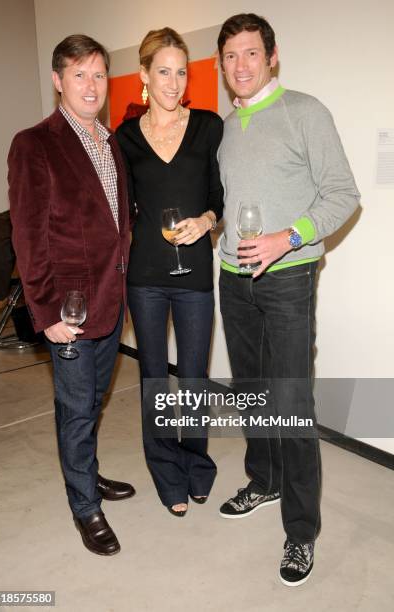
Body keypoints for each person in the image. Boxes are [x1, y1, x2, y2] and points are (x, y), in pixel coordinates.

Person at [216, 14, 360, 586]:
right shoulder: (227, 127)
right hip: (233, 277)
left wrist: (288, 236)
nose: (241, 66)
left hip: (288, 278)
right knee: (251, 392)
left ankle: (301, 532)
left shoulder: (304, 112)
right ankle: (264, 480)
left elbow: (343, 194)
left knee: (292, 402)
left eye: (251, 53)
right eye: (230, 56)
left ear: (272, 57)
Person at [8, 34, 135, 556]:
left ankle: (88, 473)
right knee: (78, 408)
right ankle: (84, 505)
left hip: (111, 300)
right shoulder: (34, 143)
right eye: (79, 74)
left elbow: (115, 222)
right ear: (58, 81)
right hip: (71, 312)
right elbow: (28, 234)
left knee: (89, 403)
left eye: (99, 74)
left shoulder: (110, 141)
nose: (91, 85)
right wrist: (45, 312)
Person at [116, 27, 223, 517]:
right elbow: (117, 207)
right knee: (156, 379)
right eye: (163, 71)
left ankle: (197, 464)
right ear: (144, 75)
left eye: (182, 72)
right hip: (147, 276)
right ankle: (166, 470)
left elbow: (218, 196)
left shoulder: (208, 126)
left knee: (195, 378)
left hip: (196, 271)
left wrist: (206, 220)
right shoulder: (126, 138)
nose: (174, 82)